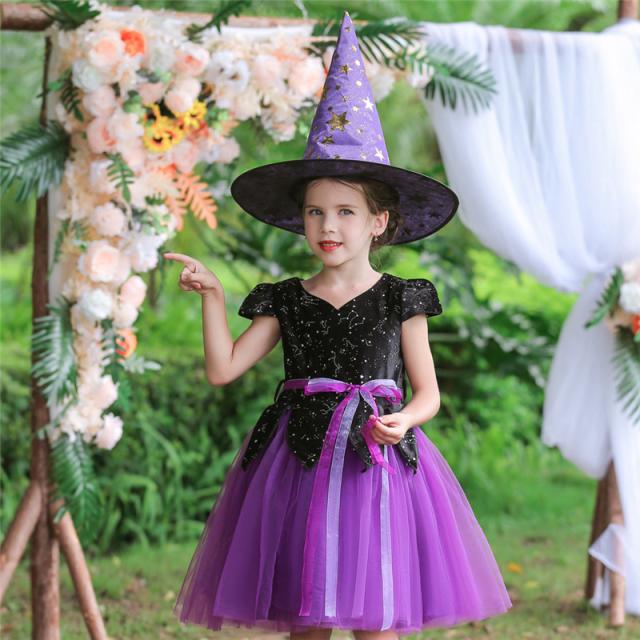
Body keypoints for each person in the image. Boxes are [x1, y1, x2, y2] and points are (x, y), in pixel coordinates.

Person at [166, 11, 512, 638]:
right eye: (315, 212)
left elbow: (428, 393)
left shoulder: (401, 298)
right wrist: (214, 296)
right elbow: (223, 369)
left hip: (373, 466)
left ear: (379, 222)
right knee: (306, 610)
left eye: (346, 212)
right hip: (296, 464)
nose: (328, 226)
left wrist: (404, 419)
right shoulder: (285, 299)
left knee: (376, 610)